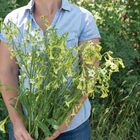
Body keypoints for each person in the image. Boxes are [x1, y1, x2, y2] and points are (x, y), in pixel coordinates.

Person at [0, 0, 101, 139]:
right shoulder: (13, 20)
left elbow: (90, 75)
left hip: (72, 130)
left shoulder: (83, 18)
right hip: (26, 127)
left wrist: (62, 124)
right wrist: (17, 122)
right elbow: (7, 72)